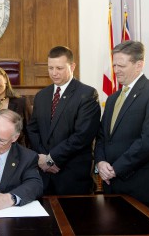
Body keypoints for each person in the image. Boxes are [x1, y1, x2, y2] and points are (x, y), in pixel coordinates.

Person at [94, 40, 149, 217]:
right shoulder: (113, 98)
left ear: (139, 65)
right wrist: (100, 163)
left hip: (144, 188)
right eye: (114, 65)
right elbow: (102, 137)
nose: (116, 70)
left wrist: (116, 169)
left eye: (121, 65)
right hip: (112, 187)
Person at [27, 45, 101, 195]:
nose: (54, 73)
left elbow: (82, 136)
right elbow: (33, 129)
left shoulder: (87, 94)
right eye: (50, 68)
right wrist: (43, 160)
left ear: (72, 66)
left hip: (71, 174)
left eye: (59, 68)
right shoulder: (41, 95)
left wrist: (52, 159)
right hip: (44, 174)